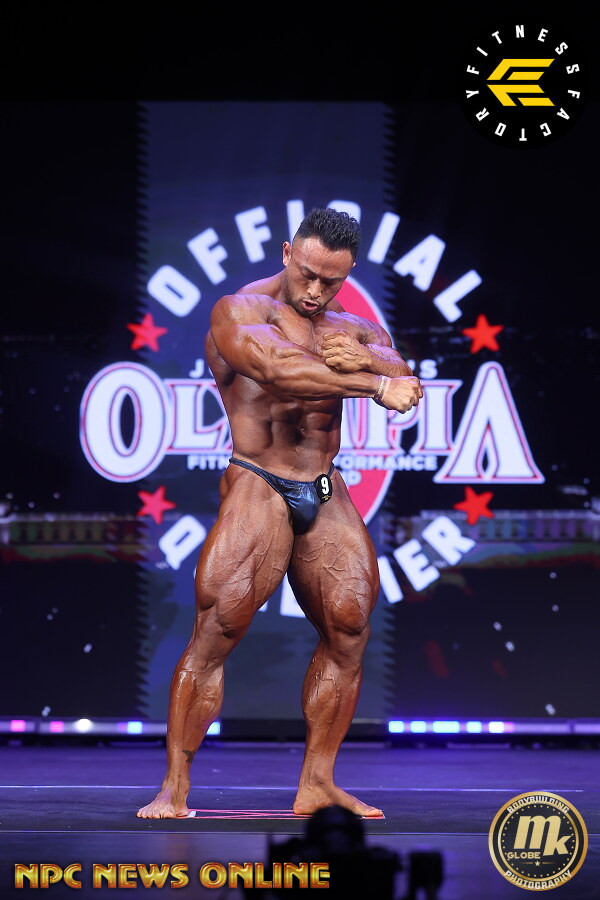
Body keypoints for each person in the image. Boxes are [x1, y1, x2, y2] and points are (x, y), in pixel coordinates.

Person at [137, 208, 422, 820]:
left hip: (323, 482)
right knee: (218, 629)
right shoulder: (240, 311)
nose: (316, 290)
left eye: (331, 281)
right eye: (307, 273)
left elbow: (405, 373)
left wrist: (371, 362)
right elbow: (277, 370)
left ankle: (317, 784)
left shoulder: (354, 327)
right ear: (289, 252)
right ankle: (174, 789)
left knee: (350, 628)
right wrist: (372, 384)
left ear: (348, 274)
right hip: (258, 477)